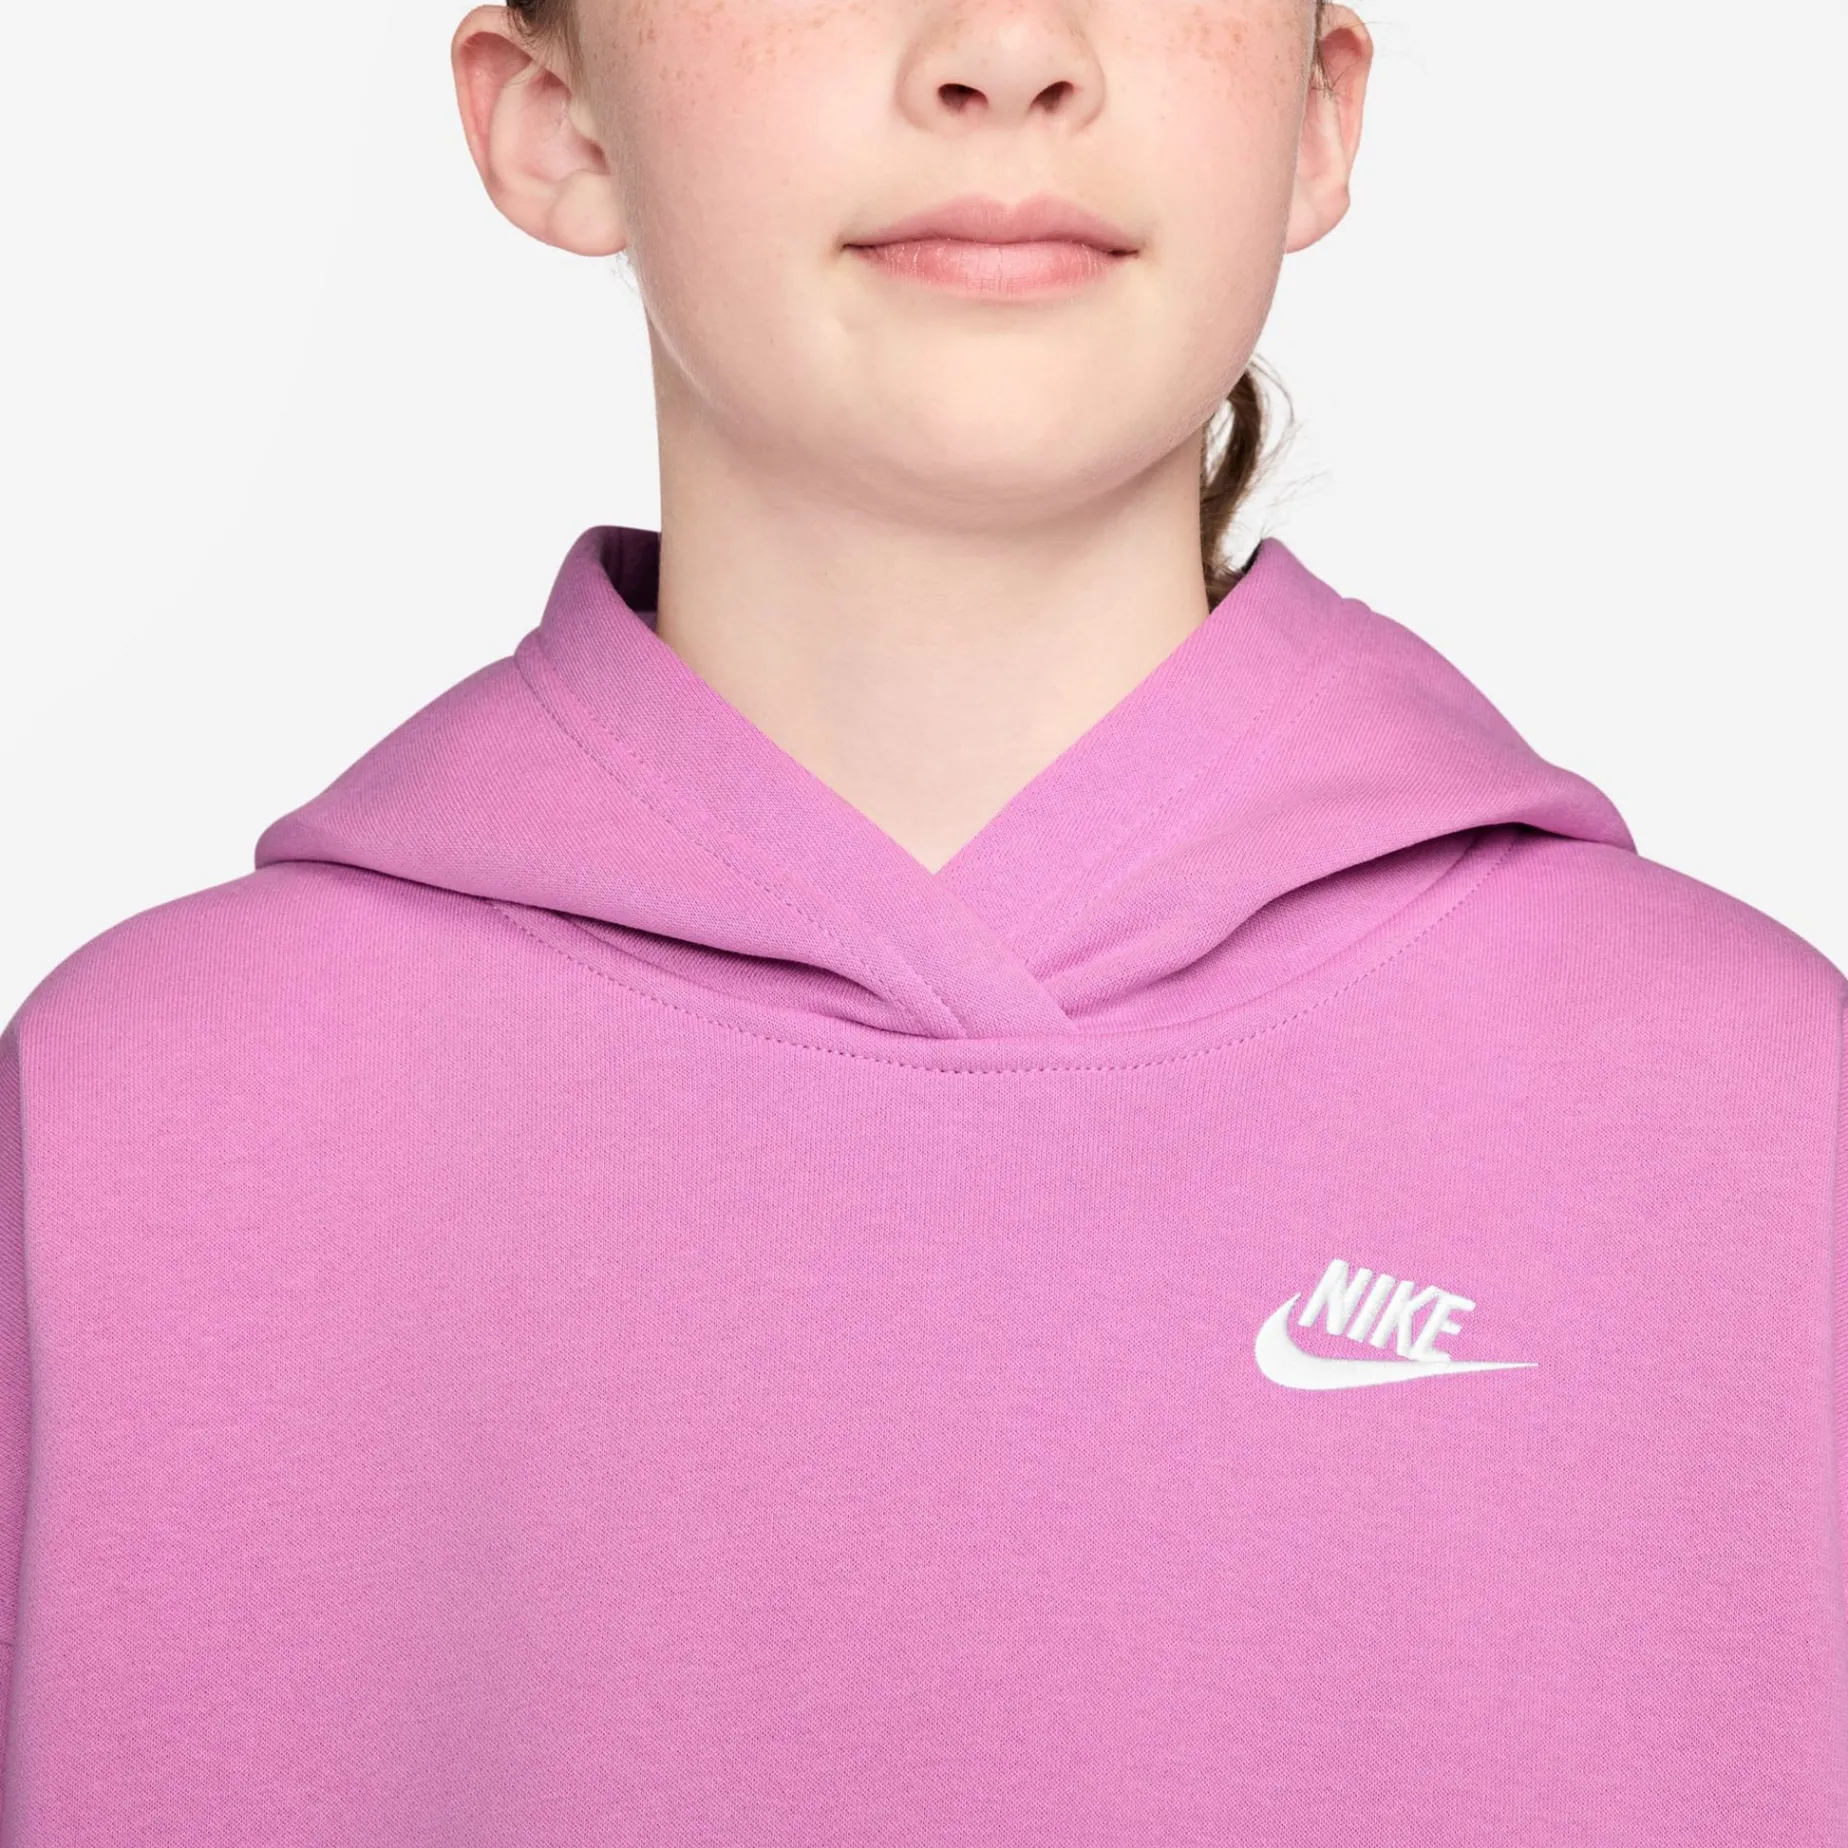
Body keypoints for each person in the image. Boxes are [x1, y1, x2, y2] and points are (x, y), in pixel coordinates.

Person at [0, 0, 1842, 1839]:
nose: (1009, 45)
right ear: (555, 118)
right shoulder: (123, 1136)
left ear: (1316, 117)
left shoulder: (1761, 1120)